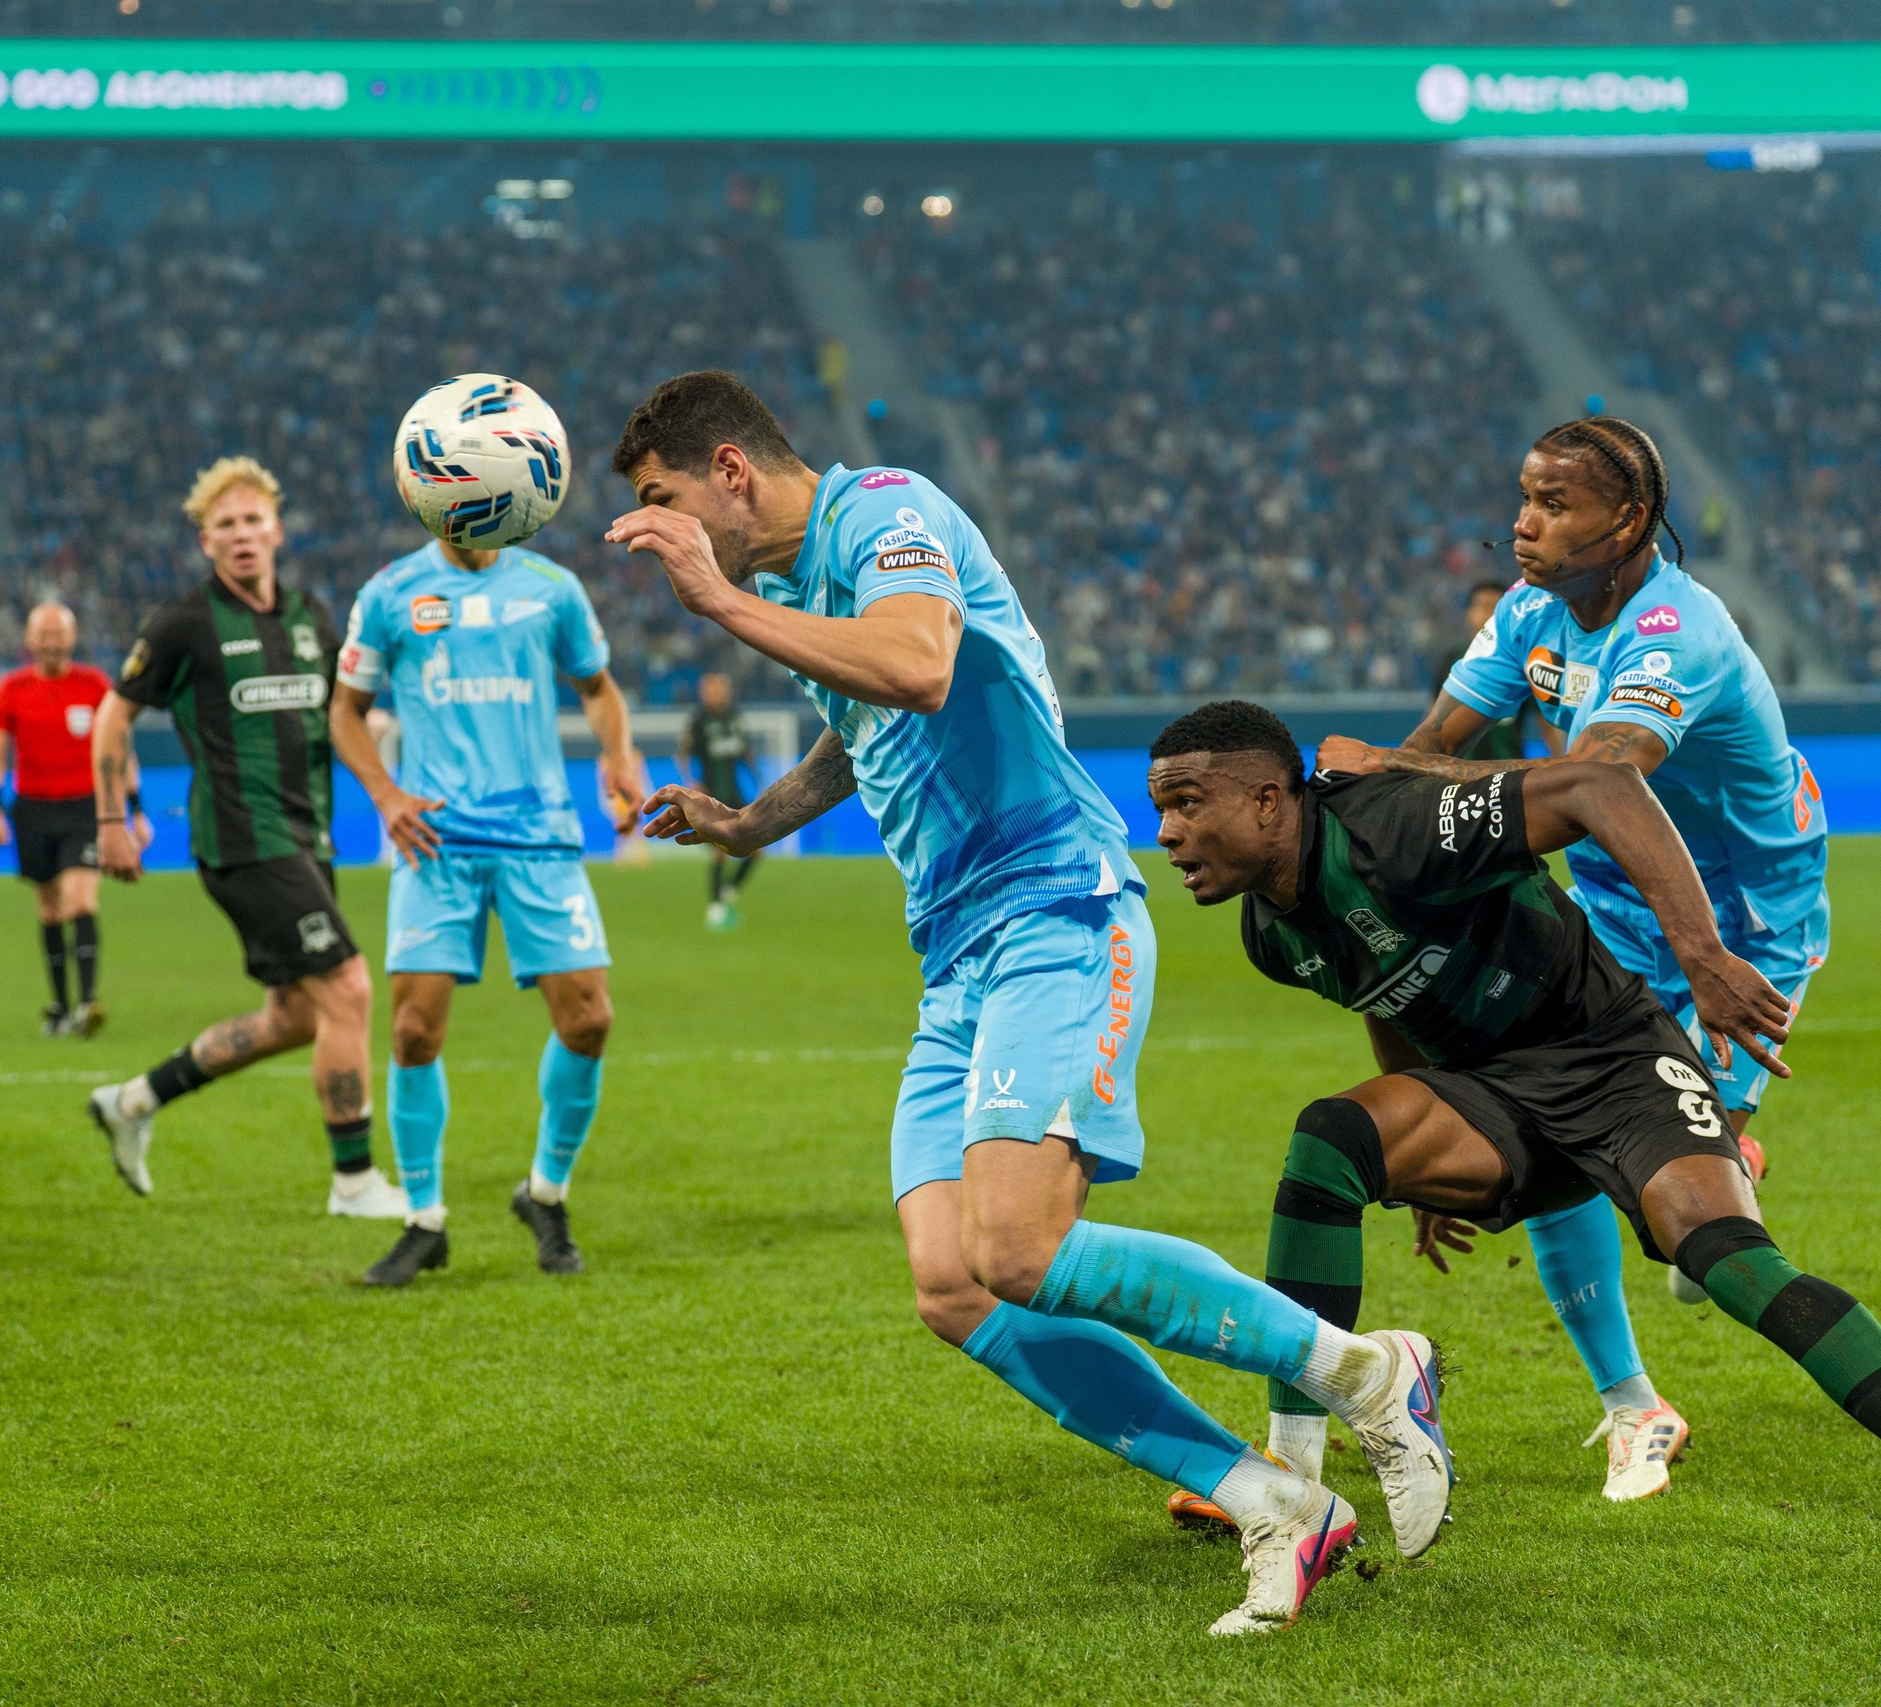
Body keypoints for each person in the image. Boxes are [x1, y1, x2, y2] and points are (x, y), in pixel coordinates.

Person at [609, 370, 1448, 1638]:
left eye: (664, 501)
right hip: (958, 958)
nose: (658, 530)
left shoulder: (886, 509)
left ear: (729, 469)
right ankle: (1276, 1502)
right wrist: (752, 821)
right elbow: (861, 716)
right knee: (955, 1285)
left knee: (1017, 1246)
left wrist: (712, 597)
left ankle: (1367, 1371)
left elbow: (916, 664)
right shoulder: (794, 584)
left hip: (1056, 913)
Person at [1150, 699, 1881, 1576]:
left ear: (1269, 798)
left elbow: (1601, 787)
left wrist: (1702, 956)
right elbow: (1384, 996)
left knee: (1723, 1257)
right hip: (1491, 1096)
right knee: (1331, 1141)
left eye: (1187, 804)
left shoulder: (1397, 824)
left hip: (1612, 1060)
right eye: (1162, 810)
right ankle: (1288, 1482)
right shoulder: (1269, 932)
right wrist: (1414, 1146)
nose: (1167, 834)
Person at [1310, 417, 1829, 1504]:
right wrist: (1392, 774)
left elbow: (1599, 779)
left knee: (1686, 1225)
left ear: (1629, 519)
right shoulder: (1529, 614)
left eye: (1551, 504)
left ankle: (1726, 1155)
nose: (1521, 523)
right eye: (1521, 497)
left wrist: (1382, 767)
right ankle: (1634, 1407)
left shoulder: (1675, 632)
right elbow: (1438, 750)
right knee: (1562, 1139)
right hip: (1605, 902)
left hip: (1736, 922)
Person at [83, 457, 408, 1223]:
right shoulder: (182, 624)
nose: (241, 535)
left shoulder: (310, 618)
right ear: (205, 541)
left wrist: (386, 758)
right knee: (352, 987)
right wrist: (109, 822)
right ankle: (355, 1181)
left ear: (277, 530)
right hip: (242, 841)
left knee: (296, 1016)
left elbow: (343, 715)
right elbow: (112, 718)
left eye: (252, 520)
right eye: (224, 525)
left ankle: (133, 1099)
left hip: (308, 838)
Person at [329, 515, 647, 1287]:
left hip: (539, 833)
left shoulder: (551, 590)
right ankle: (425, 1219)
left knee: (590, 1016)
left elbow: (598, 686)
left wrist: (619, 758)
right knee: (413, 1030)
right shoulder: (391, 593)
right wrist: (386, 794)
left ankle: (544, 1192)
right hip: (437, 840)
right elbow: (344, 709)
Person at [0, 600, 148, 1037]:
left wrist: (136, 810)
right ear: (30, 639)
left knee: (80, 900)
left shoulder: (94, 686)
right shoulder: (11, 689)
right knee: (50, 909)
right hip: (33, 808)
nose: (52, 642)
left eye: (59, 634)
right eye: (44, 634)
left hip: (84, 808)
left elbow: (120, 748)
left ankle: (88, 1003)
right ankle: (59, 1005)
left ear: (72, 638)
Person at [1430, 582, 1557, 763]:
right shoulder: (1450, 660)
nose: (1486, 614)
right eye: (1481, 606)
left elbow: (1545, 724)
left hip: (1506, 776)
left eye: (1494, 607)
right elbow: (1433, 716)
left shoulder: (1524, 662)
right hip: (1459, 775)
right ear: (1468, 613)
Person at [680, 670, 762, 929]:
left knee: (757, 849)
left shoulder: (734, 717)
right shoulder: (699, 721)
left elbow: (745, 749)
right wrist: (691, 781)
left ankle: (727, 890)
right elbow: (682, 753)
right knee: (719, 852)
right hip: (712, 795)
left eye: (720, 688)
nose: (716, 693)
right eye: (711, 689)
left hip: (736, 794)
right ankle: (715, 909)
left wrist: (756, 775)